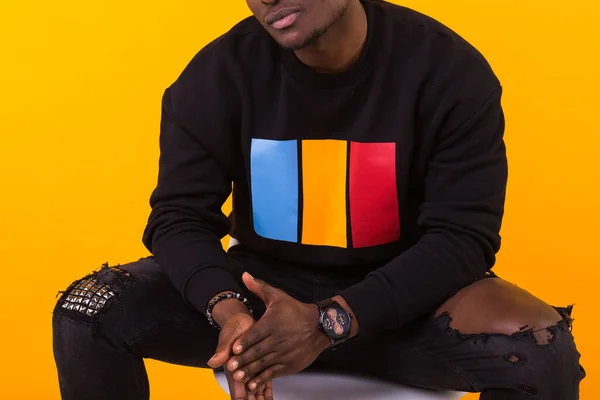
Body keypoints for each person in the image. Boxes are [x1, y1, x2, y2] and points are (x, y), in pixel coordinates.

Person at [52, 0, 585, 399]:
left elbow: (463, 239)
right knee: (87, 312)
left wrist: (331, 321)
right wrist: (230, 314)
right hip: (263, 300)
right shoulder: (218, 74)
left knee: (538, 351)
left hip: (406, 305)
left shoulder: (446, 70)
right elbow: (178, 217)